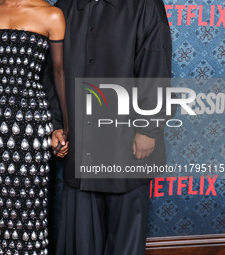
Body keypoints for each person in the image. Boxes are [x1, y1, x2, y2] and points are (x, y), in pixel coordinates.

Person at [43, 0, 174, 254]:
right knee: (81, 240)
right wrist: (56, 125)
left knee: (126, 237)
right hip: (79, 144)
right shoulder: (65, 8)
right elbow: (52, 74)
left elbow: (155, 63)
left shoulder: (144, 4)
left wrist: (148, 129)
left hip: (127, 143)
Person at [0, 0, 69, 254]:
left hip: (31, 124)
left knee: (29, 205)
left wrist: (66, 127)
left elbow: (59, 73)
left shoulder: (52, 15)